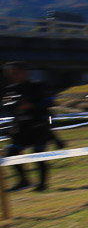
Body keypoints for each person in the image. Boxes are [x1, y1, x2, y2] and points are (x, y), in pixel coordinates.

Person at [2, 61, 54, 191]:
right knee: (11, 154)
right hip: (21, 128)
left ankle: (42, 184)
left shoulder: (39, 86)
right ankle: (24, 180)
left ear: (25, 72)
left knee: (38, 155)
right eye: (11, 74)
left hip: (39, 127)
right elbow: (9, 106)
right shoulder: (11, 89)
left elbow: (49, 104)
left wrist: (32, 106)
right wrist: (11, 104)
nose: (14, 76)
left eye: (16, 73)